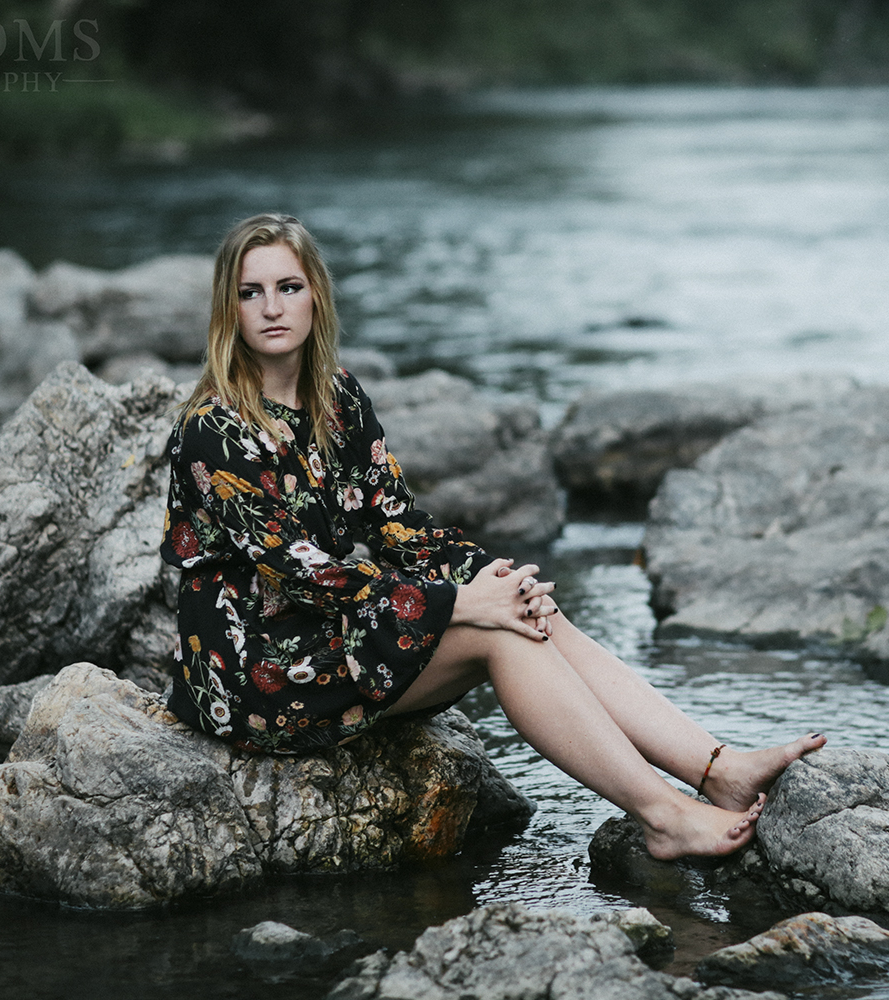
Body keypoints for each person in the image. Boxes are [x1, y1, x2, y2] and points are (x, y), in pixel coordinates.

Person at [161, 213, 825, 861]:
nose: (272, 307)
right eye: (251, 292)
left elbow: (397, 524)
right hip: (259, 672)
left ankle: (717, 769)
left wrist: (497, 578)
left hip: (334, 636)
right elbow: (305, 571)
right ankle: (664, 816)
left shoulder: (339, 398)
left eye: (289, 287)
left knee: (523, 607)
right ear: (231, 309)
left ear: (316, 297)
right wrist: (461, 606)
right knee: (493, 631)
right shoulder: (214, 431)